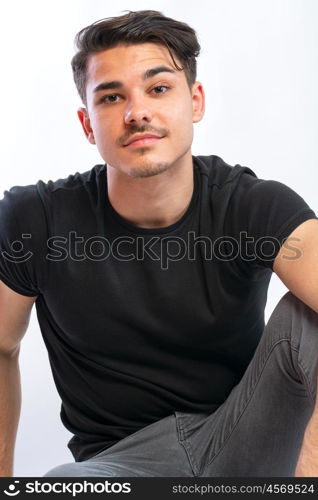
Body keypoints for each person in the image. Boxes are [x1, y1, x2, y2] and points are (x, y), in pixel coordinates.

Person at [0, 9, 318, 478]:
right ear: (88, 125)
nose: (137, 112)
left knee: (306, 319)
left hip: (249, 437)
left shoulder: (253, 205)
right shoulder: (36, 218)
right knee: (64, 488)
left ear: (195, 101)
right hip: (121, 467)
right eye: (111, 97)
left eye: (159, 88)